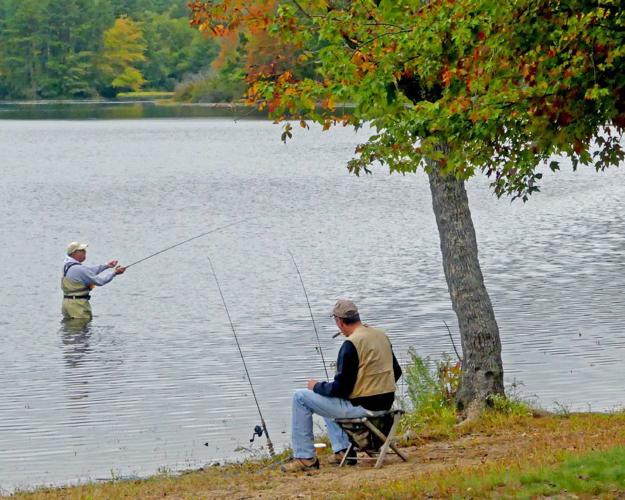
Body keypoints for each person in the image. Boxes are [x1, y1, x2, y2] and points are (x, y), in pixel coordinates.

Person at [282, 299, 402, 472]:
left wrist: (315, 386)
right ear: (357, 317)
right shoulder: (381, 335)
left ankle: (305, 458)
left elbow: (341, 389)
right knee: (326, 396)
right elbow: (396, 372)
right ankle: (342, 450)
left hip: (363, 409)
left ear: (339, 322)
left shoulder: (351, 344)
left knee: (300, 397)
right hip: (385, 407)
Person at [61, 242, 126, 320]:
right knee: (81, 329)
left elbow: (88, 271)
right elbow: (100, 281)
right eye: (82, 250)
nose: (85, 252)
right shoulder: (78, 268)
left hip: (67, 304)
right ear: (75, 253)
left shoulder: (67, 265)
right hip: (78, 305)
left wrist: (107, 266)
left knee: (71, 330)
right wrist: (115, 273)